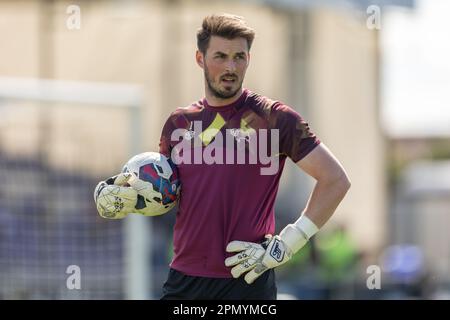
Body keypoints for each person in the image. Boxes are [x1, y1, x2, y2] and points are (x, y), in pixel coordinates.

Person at [94, 13, 350, 300]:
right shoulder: (178, 124)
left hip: (249, 279)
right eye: (221, 56)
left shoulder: (275, 118)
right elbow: (168, 196)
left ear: (249, 59)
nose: (231, 66)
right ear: (200, 58)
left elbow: (335, 180)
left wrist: (288, 243)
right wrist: (127, 199)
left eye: (239, 56)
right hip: (184, 283)